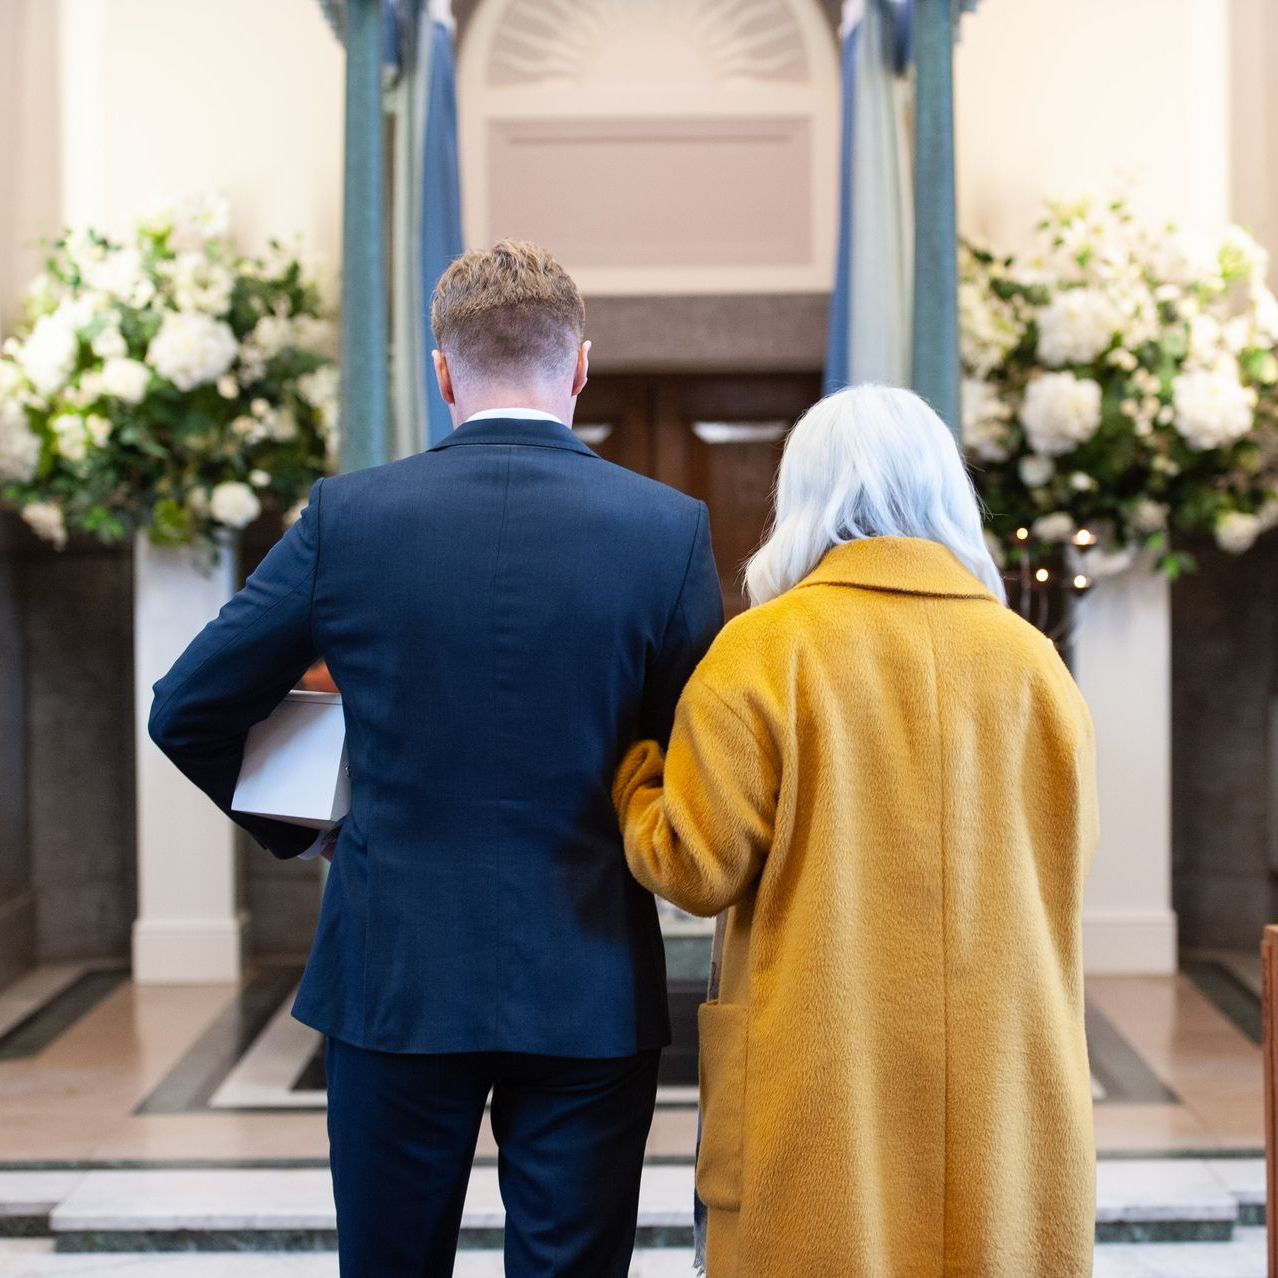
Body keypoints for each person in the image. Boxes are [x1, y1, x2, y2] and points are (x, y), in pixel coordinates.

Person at [148, 240, 723, 1277]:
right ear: (580, 365)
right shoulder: (666, 531)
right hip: (588, 980)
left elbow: (188, 709)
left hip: (392, 973)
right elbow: (703, 754)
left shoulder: (348, 519)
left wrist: (317, 822)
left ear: (443, 369)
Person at [613, 385, 1099, 1277]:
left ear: (803, 497)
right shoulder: (1033, 662)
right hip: (1006, 1080)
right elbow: (1066, 857)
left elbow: (692, 864)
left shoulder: (769, 649)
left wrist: (634, 771)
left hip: (824, 1084)